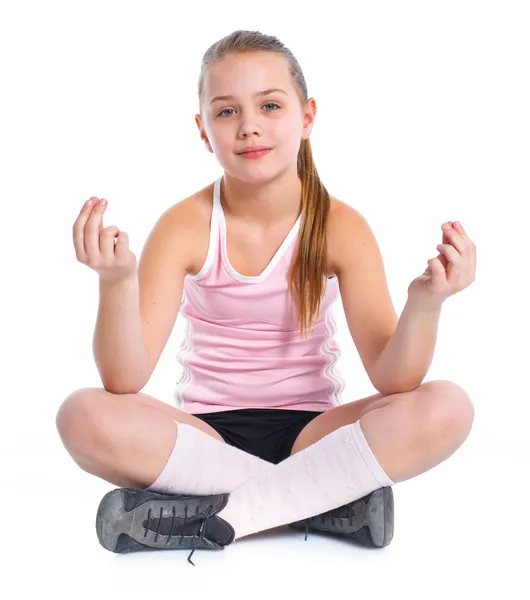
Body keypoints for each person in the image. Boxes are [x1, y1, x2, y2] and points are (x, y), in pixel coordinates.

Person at [57, 30, 476, 566]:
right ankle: (319, 504)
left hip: (316, 435)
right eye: (226, 111)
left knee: (449, 406)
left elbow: (394, 381)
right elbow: (124, 381)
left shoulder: (341, 226)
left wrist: (426, 303)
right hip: (205, 439)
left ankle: (230, 513)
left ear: (306, 117)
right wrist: (114, 281)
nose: (249, 124)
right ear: (203, 132)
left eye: (270, 105)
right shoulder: (184, 225)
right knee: (82, 416)